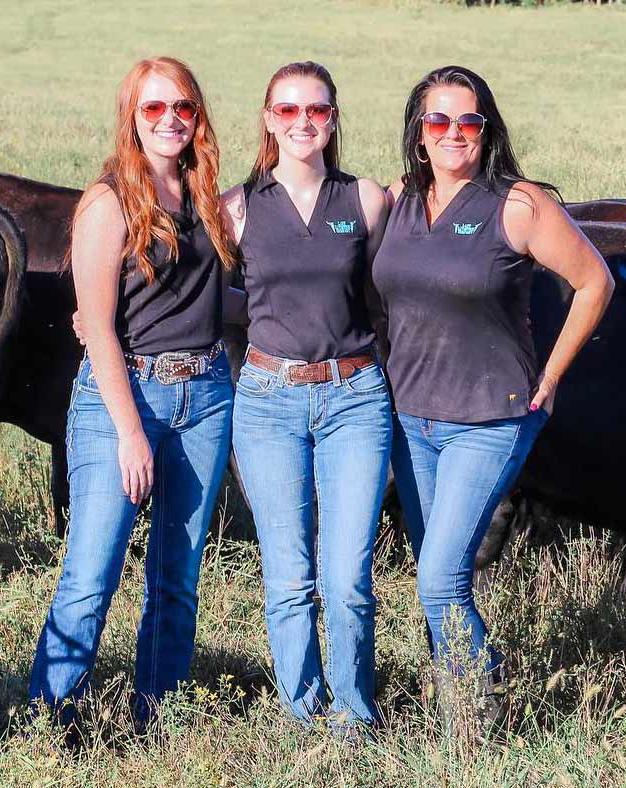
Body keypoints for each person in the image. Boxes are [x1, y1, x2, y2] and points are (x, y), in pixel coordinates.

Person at [372, 65, 615, 725]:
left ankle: (479, 720)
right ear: (419, 135)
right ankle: (457, 698)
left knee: (439, 579)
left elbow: (595, 283)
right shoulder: (398, 199)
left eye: (469, 121)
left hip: (490, 417)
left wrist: (552, 373)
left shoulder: (518, 204)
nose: (455, 133)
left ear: (487, 129)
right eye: (439, 121)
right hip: (410, 418)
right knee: (434, 578)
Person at [29, 56, 238, 728]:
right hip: (124, 400)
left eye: (183, 107)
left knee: (176, 579)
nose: (171, 120)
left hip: (205, 395)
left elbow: (211, 301)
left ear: (197, 116)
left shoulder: (206, 198)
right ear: (132, 119)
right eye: (154, 109)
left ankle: (158, 716)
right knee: (93, 572)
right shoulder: (109, 202)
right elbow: (97, 327)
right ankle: (50, 719)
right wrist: (128, 432)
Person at [220, 61, 391, 732]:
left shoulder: (366, 199)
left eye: (315, 110)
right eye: (287, 111)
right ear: (268, 120)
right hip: (267, 398)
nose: (302, 123)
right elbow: (205, 296)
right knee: (290, 578)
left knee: (347, 580)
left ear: (333, 118)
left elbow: (396, 292)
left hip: (355, 396)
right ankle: (302, 711)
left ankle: (353, 717)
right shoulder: (237, 207)